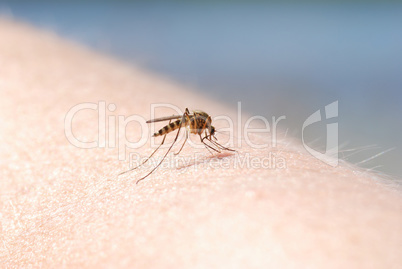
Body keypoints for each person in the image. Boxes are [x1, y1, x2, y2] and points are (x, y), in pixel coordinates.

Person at [1, 18, 401, 268]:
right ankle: (154, 161)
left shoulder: (201, 124)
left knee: (182, 128)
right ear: (201, 126)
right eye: (205, 131)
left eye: (205, 132)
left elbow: (200, 125)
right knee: (171, 137)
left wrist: (207, 138)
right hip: (173, 127)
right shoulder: (190, 124)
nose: (206, 133)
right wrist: (181, 136)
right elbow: (189, 123)